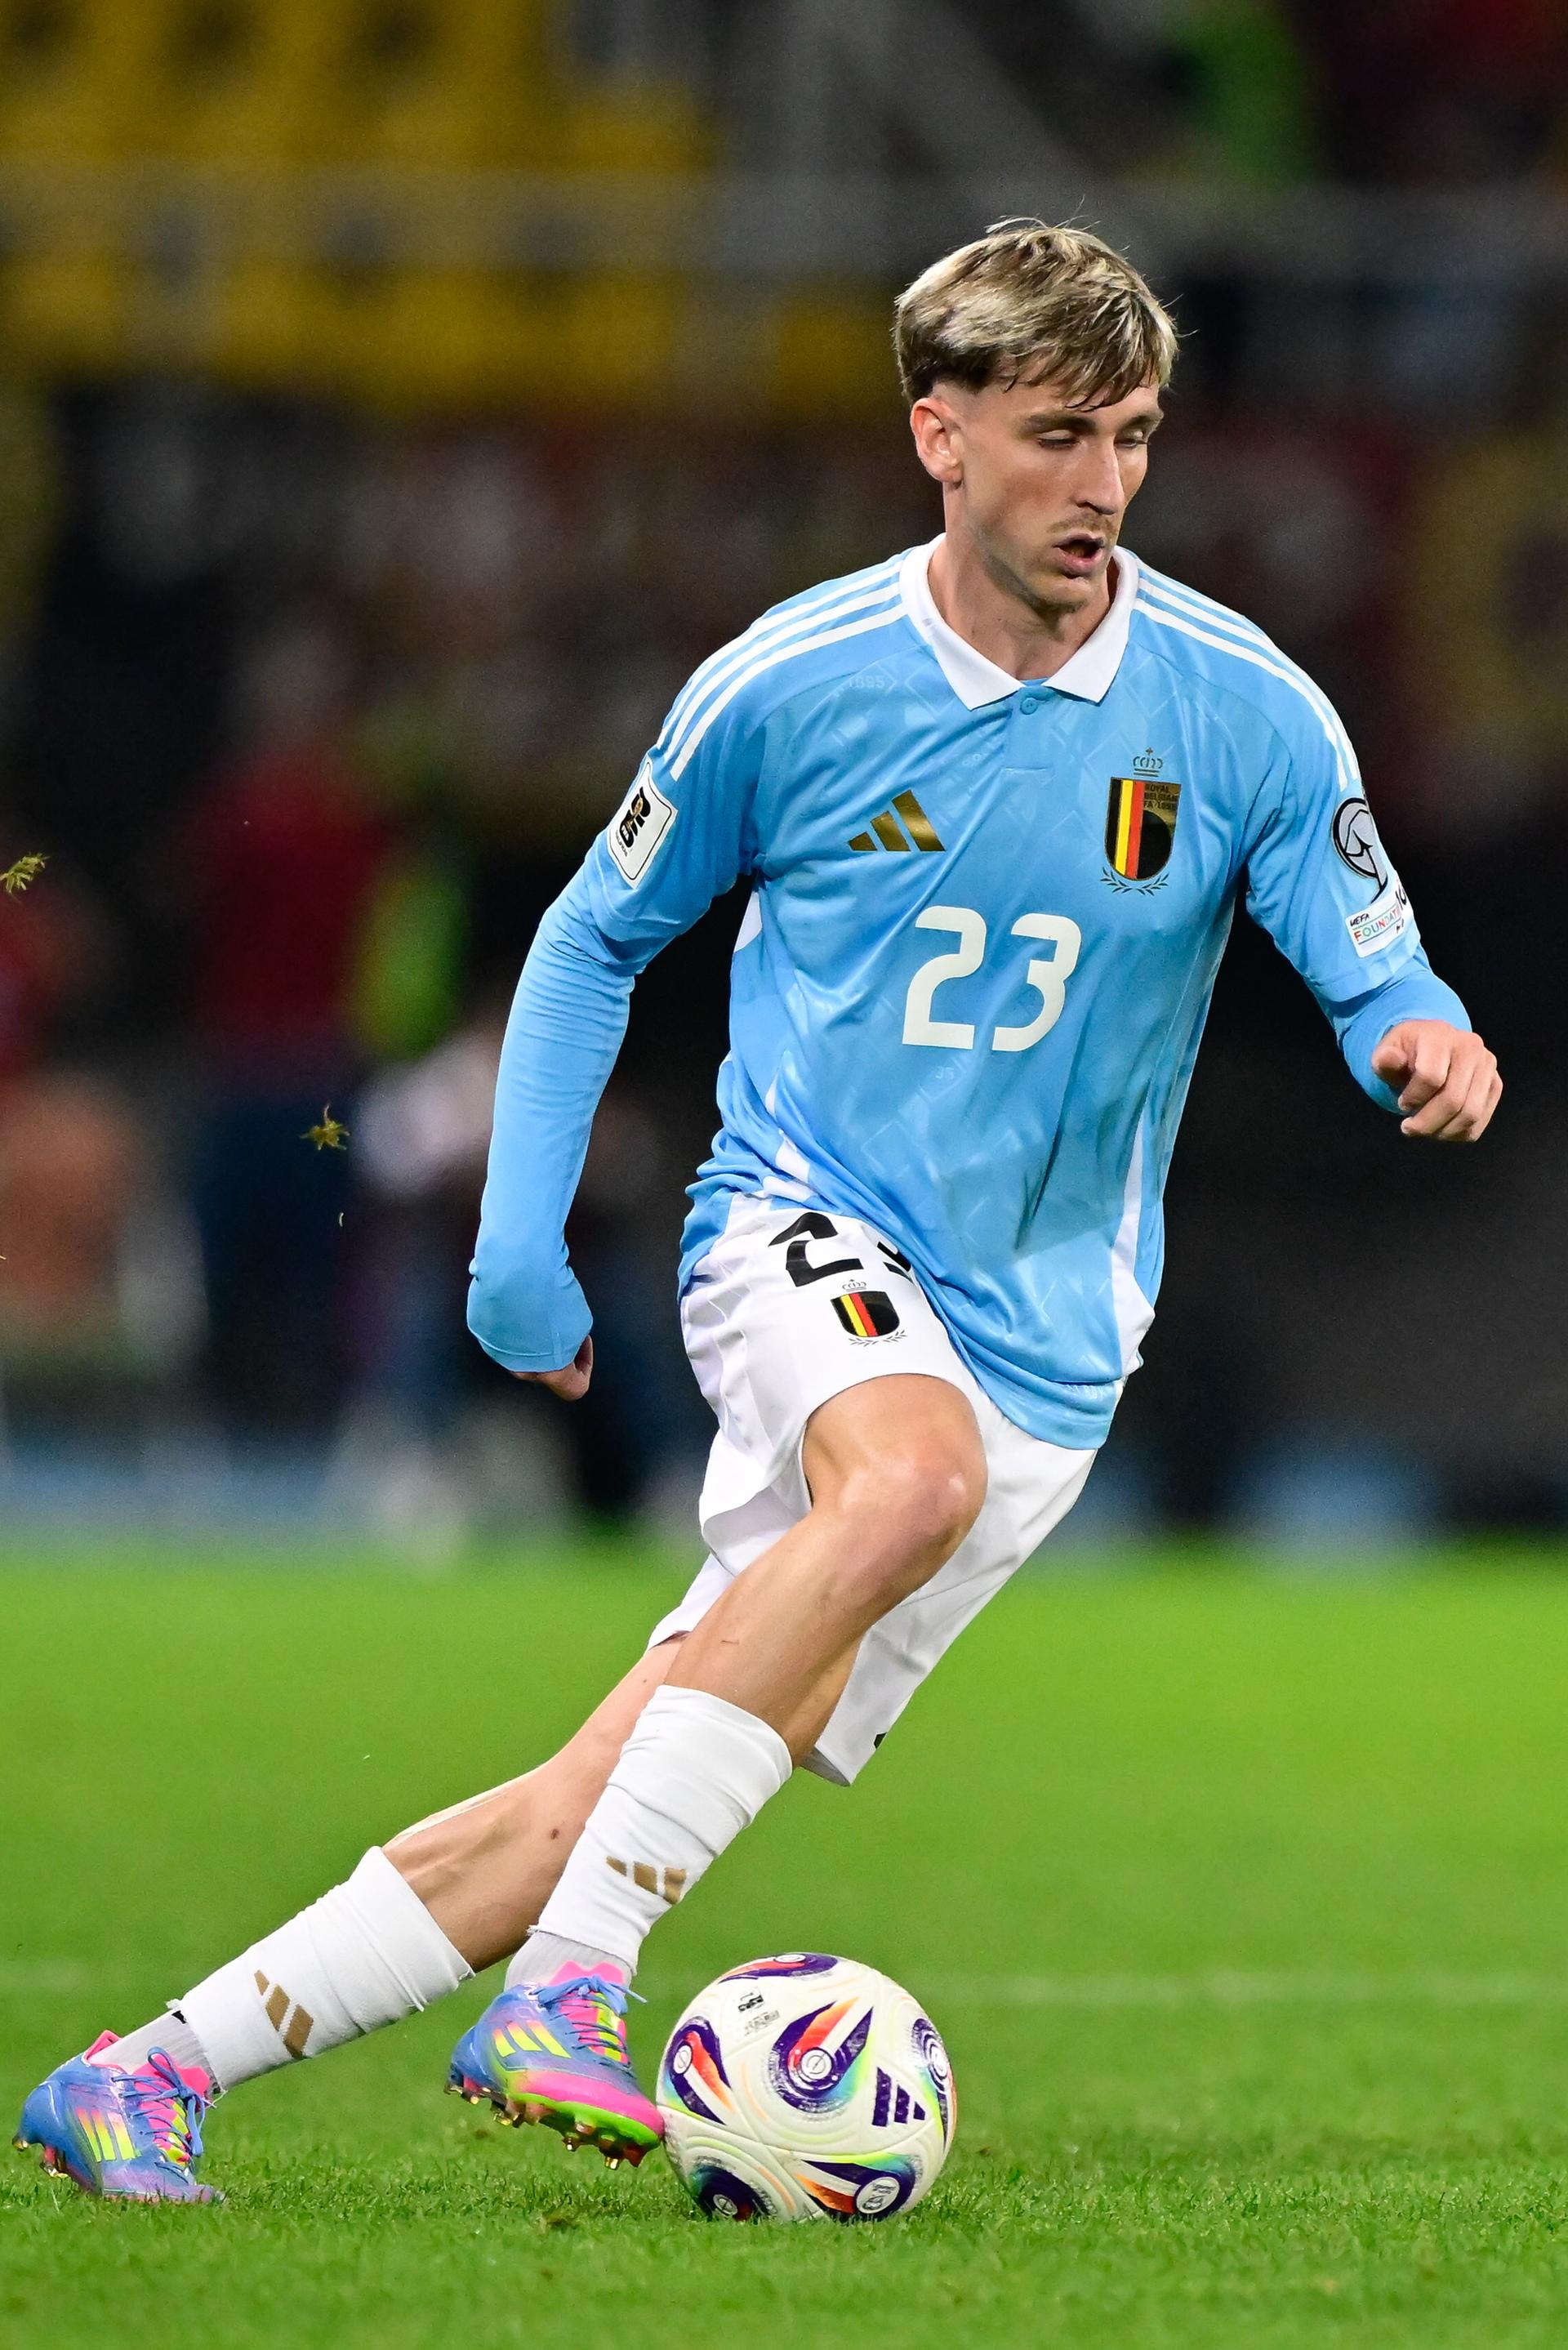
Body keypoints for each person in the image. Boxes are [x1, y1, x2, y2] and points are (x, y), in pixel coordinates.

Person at [16, 220, 1501, 2203]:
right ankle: (569, 1993)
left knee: (593, 1793)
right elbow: (588, 938)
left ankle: (144, 2072)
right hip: (809, 1227)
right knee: (902, 1480)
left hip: (1055, 1347)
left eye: (1135, 435)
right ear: (940, 434)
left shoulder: (1243, 708)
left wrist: (1429, 1035)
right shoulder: (792, 686)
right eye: (1058, 432)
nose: (1107, 483)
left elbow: (1369, 943)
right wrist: (520, 1242)